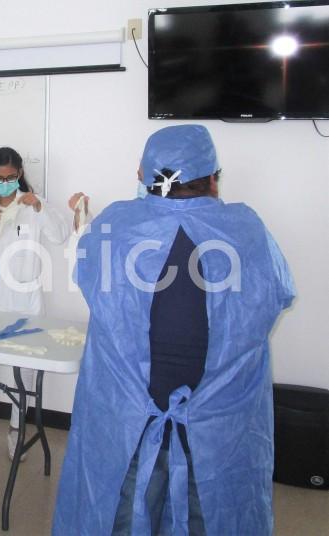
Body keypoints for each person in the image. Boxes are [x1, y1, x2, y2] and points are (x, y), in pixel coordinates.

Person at [53, 125, 295, 535]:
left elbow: (89, 281)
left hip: (128, 420)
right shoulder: (247, 230)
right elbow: (277, 296)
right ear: (213, 177)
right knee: (212, 520)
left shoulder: (116, 226)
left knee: (118, 517)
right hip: (217, 430)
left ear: (143, 174)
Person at [0, 146, 87, 461]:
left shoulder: (32, 203)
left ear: (20, 175)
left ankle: (17, 433)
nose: (5, 182)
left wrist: (41, 206)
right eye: (0, 177)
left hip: (24, 301)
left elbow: (59, 236)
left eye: (12, 177)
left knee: (23, 369)